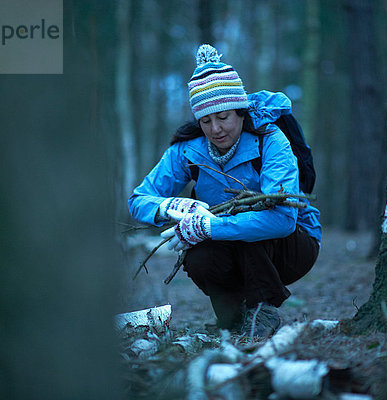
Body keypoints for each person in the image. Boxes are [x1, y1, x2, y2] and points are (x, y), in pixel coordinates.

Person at [128, 44, 322, 338]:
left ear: (241, 112)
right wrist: (171, 207)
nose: (216, 129)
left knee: (251, 223)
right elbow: (138, 199)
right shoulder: (187, 151)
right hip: (229, 247)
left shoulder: (270, 140)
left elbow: (283, 220)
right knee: (198, 257)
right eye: (205, 121)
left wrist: (208, 225)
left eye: (224, 117)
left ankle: (262, 312)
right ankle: (231, 317)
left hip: (292, 245)